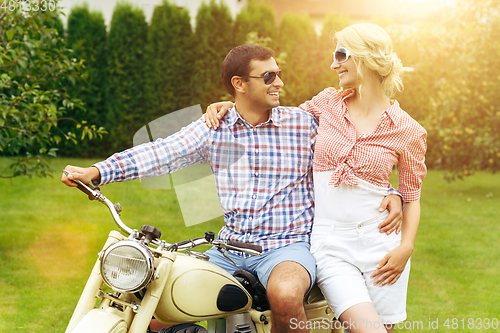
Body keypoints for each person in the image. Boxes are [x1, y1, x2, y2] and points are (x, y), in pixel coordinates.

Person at [62, 44, 403, 333]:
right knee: (157, 298)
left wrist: (389, 191)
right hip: (227, 248)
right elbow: (161, 152)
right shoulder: (215, 127)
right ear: (239, 83)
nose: (279, 82)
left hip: (287, 248)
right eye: (268, 76)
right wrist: (98, 171)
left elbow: (350, 152)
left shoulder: (302, 123)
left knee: (285, 294)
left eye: (278, 73)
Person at [203, 24, 426, 333]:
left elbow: (412, 196)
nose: (333, 64)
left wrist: (406, 247)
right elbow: (278, 123)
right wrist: (236, 106)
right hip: (331, 243)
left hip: (382, 248)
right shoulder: (327, 104)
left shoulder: (408, 130)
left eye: (340, 54)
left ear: (366, 57)